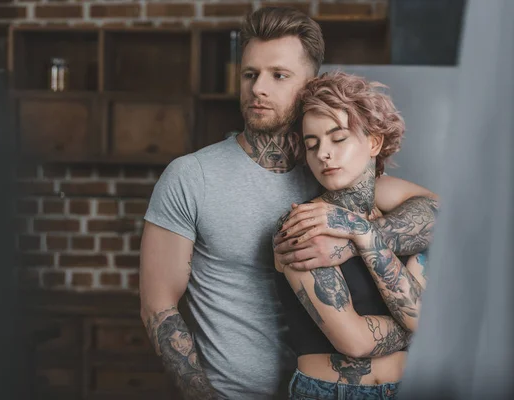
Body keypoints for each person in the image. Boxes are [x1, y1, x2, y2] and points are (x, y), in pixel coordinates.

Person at [139, 6, 439, 400]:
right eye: (250, 74)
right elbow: (159, 308)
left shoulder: (330, 170)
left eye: (278, 75)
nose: (258, 88)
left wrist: (350, 241)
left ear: (310, 83)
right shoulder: (191, 176)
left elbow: (435, 211)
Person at [273, 71, 432, 400]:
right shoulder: (303, 225)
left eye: (338, 138)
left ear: (373, 142)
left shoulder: (404, 214)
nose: (323, 154)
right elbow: (356, 342)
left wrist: (361, 234)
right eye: (312, 144)